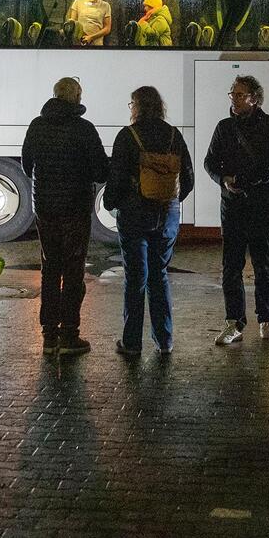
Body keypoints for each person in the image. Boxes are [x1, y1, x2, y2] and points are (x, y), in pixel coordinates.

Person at [21, 77, 111, 356]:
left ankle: (49, 336)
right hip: (75, 209)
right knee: (73, 271)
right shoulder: (84, 129)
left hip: (45, 208)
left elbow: (26, 165)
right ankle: (70, 334)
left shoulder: (37, 126)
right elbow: (100, 172)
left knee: (50, 270)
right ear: (77, 97)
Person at [203, 74, 269, 346]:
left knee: (264, 266)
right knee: (231, 267)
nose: (234, 99)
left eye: (239, 94)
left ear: (254, 98)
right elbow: (209, 162)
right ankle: (234, 322)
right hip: (232, 207)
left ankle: (266, 320)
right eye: (232, 94)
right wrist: (224, 180)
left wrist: (261, 177)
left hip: (262, 206)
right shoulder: (224, 127)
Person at [105, 85, 193, 358]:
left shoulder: (127, 136)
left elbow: (117, 177)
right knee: (160, 275)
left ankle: (132, 343)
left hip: (134, 214)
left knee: (135, 278)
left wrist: (111, 203)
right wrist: (170, 200)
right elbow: (187, 179)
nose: (130, 109)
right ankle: (164, 341)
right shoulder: (174, 135)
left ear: (138, 106)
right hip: (167, 213)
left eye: (132, 104)